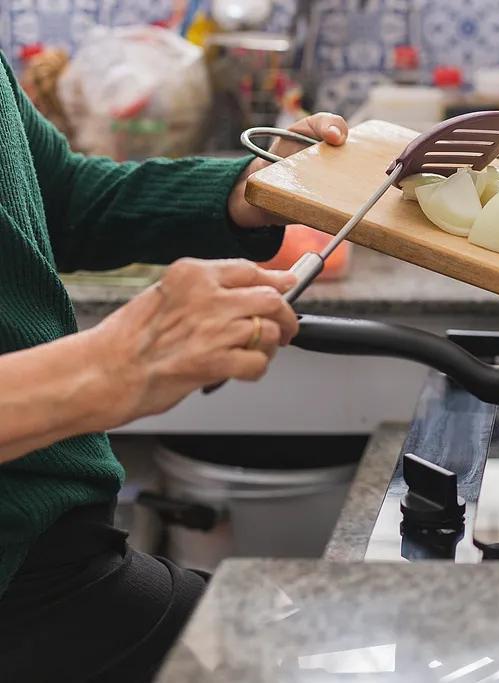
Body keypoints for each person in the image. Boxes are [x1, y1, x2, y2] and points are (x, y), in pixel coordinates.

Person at [0, 52, 348, 681]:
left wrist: (252, 189)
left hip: (58, 547)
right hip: (18, 589)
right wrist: (108, 364)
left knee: (282, 642)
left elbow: (62, 196)